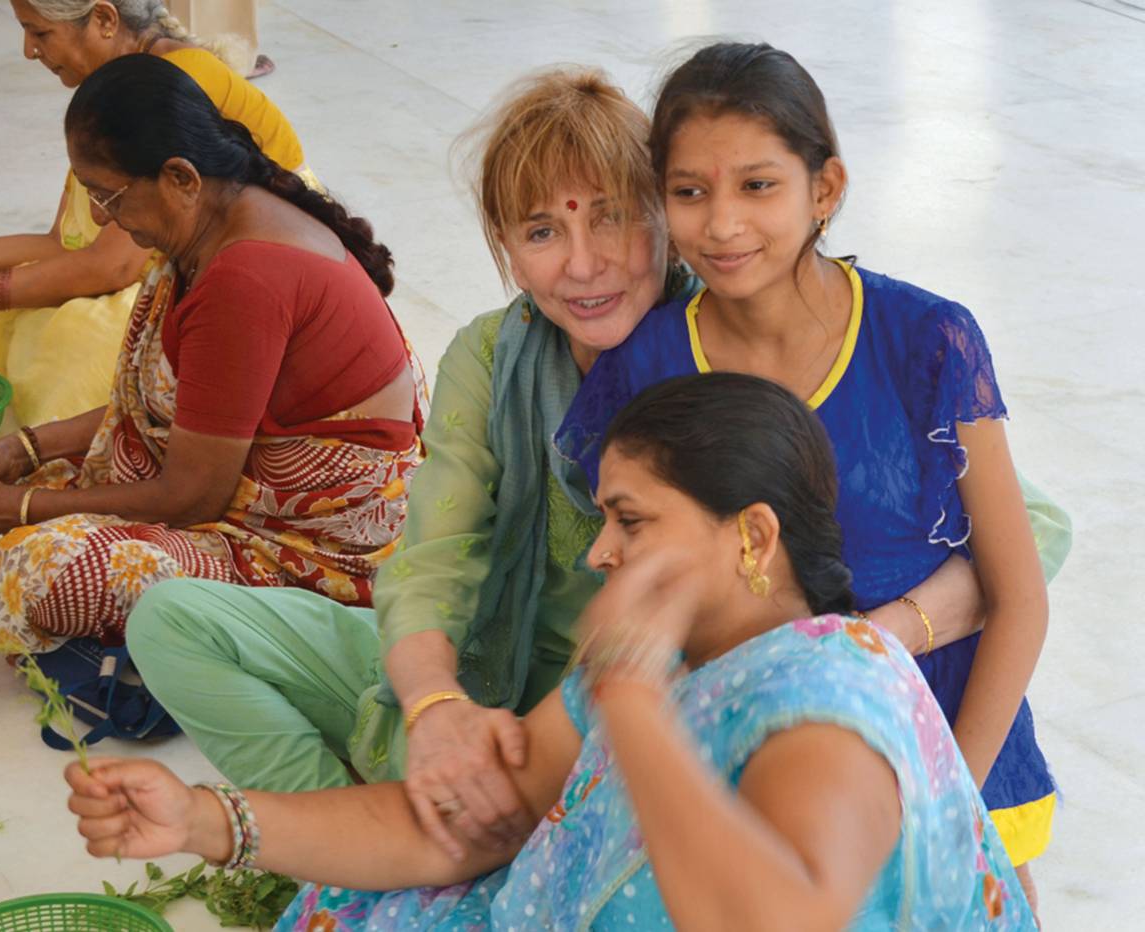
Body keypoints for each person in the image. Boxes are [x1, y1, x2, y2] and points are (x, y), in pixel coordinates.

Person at [120, 67, 990, 837]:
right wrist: (434, 706)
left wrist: (881, 638)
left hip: (622, 705)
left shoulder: (717, 342)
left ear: (663, 214)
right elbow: (436, 559)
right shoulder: (496, 355)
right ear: (505, 249)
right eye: (541, 232)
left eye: (612, 219)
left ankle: (435, 838)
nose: (583, 265)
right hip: (492, 656)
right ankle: (362, 838)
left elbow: (1022, 527)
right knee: (173, 621)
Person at [66, 372, 1035, 930]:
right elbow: (468, 827)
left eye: (630, 519)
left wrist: (633, 707)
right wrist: (205, 819)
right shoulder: (663, 662)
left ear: (752, 537)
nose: (603, 550)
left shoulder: (831, 695)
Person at [556, 41, 1062, 907]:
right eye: (689, 192)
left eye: (758, 185)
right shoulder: (644, 362)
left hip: (945, 734)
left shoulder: (926, 340)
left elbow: (1018, 595)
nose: (722, 225)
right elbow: (631, 563)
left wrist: (949, 804)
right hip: (744, 755)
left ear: (824, 190)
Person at [0, 53, 423, 653]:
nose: (107, 219)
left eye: (110, 198)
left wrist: (19, 508)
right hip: (238, 478)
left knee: (50, 570)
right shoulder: (212, 220)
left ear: (181, 178)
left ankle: (278, 622)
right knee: (50, 483)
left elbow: (193, 496)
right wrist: (19, 448)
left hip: (328, 544)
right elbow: (173, 412)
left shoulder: (244, 277)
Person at [0, 0, 312, 425]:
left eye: (39, 33)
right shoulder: (114, 88)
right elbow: (63, 243)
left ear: (105, 20)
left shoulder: (171, 83)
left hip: (254, 268)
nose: (29, 51)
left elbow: (113, 266)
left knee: (78, 341)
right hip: (156, 263)